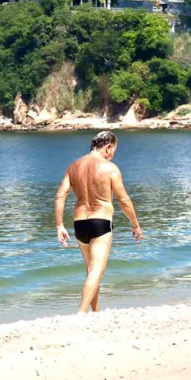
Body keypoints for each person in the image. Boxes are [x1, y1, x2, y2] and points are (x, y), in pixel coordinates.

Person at [54, 131, 142, 313]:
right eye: (114, 150)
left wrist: (59, 225)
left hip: (79, 223)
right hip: (100, 221)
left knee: (91, 270)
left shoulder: (74, 166)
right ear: (108, 146)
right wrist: (135, 224)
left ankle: (96, 311)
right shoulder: (110, 168)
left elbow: (60, 195)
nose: (113, 154)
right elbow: (124, 200)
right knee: (97, 271)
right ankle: (81, 312)